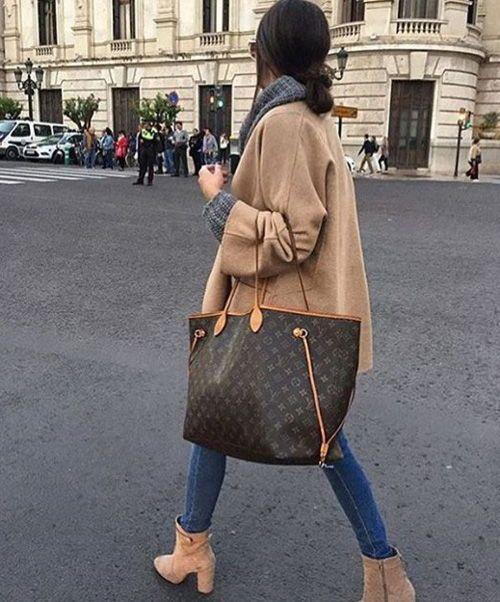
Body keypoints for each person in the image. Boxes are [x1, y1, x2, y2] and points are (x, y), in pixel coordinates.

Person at [153, 1, 416, 601]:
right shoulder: (314, 118)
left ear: (266, 54)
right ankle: (192, 546)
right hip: (303, 313)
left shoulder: (286, 123)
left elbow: (297, 236)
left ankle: (384, 571)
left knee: (324, 440)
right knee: (214, 420)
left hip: (284, 317)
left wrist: (219, 201)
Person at [133, 122, 159, 186]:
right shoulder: (143, 132)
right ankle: (140, 179)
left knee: (150, 166)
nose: (145, 126)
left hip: (151, 150)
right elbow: (140, 141)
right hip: (144, 150)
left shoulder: (154, 132)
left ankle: (150, 180)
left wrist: (156, 150)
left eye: (147, 125)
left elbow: (157, 141)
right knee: (142, 166)